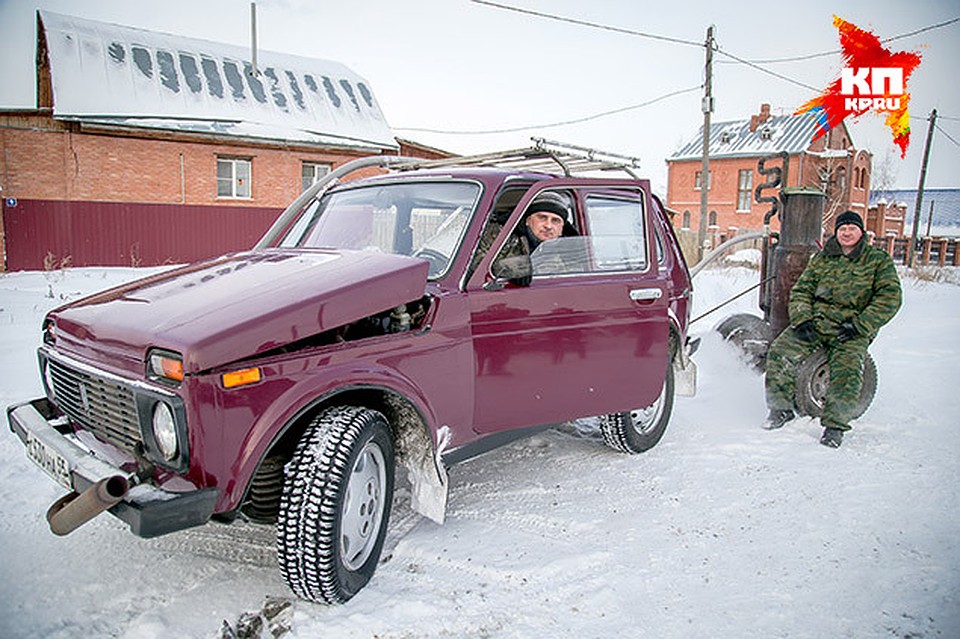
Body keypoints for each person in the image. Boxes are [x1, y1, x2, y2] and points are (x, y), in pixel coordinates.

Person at [763, 210, 902, 448]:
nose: (847, 233)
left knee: (847, 370)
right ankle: (781, 409)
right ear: (836, 232)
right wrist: (803, 319)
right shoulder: (822, 258)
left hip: (851, 327)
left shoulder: (877, 260)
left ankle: (835, 426)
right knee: (780, 351)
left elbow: (890, 297)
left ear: (862, 232)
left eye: (852, 228)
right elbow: (802, 290)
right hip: (817, 322)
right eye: (842, 228)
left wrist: (860, 324)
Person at [471, 193, 577, 280]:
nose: (548, 226)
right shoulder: (500, 235)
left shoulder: (571, 250)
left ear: (562, 228)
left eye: (555, 221)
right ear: (527, 220)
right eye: (542, 218)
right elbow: (471, 262)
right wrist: (506, 268)